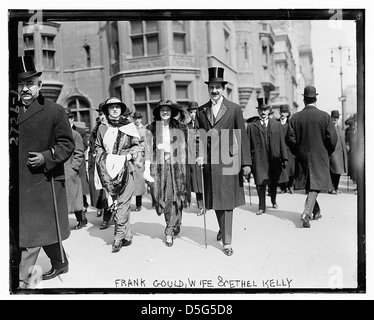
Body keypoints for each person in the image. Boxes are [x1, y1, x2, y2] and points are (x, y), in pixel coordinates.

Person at [16, 56, 74, 287]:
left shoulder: (54, 111)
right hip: (16, 182)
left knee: (31, 234)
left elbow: (67, 145)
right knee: (41, 228)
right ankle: (60, 262)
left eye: (29, 83)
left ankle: (20, 282)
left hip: (42, 181)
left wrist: (47, 156)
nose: (24, 89)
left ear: (39, 86)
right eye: (20, 84)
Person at [196, 67, 251, 256]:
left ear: (223, 88)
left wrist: (246, 163)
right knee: (216, 200)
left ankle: (227, 242)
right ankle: (223, 228)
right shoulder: (201, 111)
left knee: (226, 201)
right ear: (208, 88)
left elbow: (242, 136)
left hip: (228, 161)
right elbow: (199, 136)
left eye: (218, 87)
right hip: (210, 163)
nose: (215, 91)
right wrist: (199, 154)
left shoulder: (234, 109)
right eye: (212, 87)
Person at [286, 86, 337, 228]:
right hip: (320, 155)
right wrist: (327, 151)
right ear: (315, 98)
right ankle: (306, 213)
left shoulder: (295, 118)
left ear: (304, 100)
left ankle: (316, 211)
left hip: (302, 156)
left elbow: (290, 139)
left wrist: (298, 151)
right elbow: (332, 139)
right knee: (316, 185)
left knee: (311, 184)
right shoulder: (325, 116)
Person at [95, 97, 141, 253]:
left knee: (122, 203)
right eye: (111, 107)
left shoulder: (129, 126)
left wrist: (127, 156)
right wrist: (106, 160)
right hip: (108, 170)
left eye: (117, 107)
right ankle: (127, 235)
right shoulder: (102, 128)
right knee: (115, 203)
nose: (114, 110)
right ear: (107, 111)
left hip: (127, 168)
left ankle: (118, 237)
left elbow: (137, 146)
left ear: (121, 110)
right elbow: (98, 147)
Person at [144, 99, 191, 247]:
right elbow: (146, 151)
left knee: (175, 196)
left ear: (172, 112)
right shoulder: (151, 129)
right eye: (162, 109)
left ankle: (169, 230)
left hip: (177, 166)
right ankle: (173, 222)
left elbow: (186, 148)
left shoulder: (181, 128)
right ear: (158, 112)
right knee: (164, 199)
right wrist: (146, 170)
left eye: (168, 109)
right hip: (158, 167)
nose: (165, 112)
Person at [246, 99, 288, 215]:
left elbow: (281, 142)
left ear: (269, 111)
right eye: (261, 110)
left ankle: (273, 200)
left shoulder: (276, 125)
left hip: (273, 158)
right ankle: (261, 206)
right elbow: (247, 146)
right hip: (259, 159)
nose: (263, 112)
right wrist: (247, 163)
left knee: (273, 181)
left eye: (265, 110)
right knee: (260, 183)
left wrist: (284, 158)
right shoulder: (251, 126)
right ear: (258, 111)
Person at [65, 109, 87, 229]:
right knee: (63, 198)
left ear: (72, 119)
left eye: (68, 118)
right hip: (60, 170)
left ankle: (82, 219)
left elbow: (79, 152)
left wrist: (74, 167)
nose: (66, 120)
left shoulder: (75, 134)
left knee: (75, 197)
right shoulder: (56, 133)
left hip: (71, 170)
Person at [187, 101, 204, 216]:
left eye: (195, 112)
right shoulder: (187, 126)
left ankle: (207, 203)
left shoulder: (203, 125)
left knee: (203, 181)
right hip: (191, 156)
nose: (193, 114)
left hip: (202, 156)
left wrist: (202, 156)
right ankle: (200, 206)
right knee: (196, 182)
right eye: (191, 112)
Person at [329, 110, 348, 194]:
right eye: (334, 117)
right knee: (333, 172)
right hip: (333, 153)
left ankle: (336, 188)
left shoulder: (340, 128)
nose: (335, 119)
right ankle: (332, 188)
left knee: (338, 172)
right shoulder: (329, 128)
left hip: (340, 154)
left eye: (337, 118)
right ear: (331, 118)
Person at [278, 105, 295, 194]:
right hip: (279, 149)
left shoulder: (290, 123)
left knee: (290, 168)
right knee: (282, 168)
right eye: (281, 112)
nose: (282, 114)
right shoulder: (276, 123)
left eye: (284, 112)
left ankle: (290, 186)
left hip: (289, 149)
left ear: (287, 113)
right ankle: (283, 187)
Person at [132, 111, 146, 211]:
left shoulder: (144, 129)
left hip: (141, 157)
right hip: (133, 157)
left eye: (139, 119)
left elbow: (146, 142)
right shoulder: (132, 129)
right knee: (134, 180)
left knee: (140, 180)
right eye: (135, 119)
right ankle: (135, 203)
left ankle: (139, 203)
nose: (137, 121)